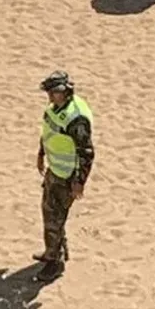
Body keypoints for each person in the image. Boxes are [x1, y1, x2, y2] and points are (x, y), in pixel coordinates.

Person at [33, 71, 95, 283]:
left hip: (67, 176)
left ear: (65, 92)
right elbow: (49, 131)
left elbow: (86, 152)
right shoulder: (55, 109)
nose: (50, 96)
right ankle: (57, 249)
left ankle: (55, 262)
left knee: (54, 218)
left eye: (54, 92)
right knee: (51, 213)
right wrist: (41, 153)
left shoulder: (76, 118)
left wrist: (79, 182)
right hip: (55, 170)